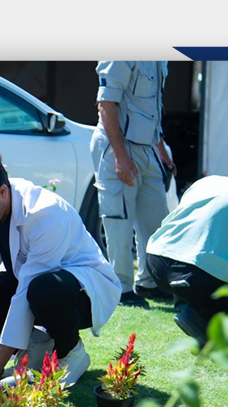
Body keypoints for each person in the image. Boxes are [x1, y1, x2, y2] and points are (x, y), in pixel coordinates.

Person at [0, 145, 121, 388]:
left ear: (2, 191)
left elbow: (26, 291)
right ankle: (36, 345)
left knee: (44, 288)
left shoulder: (45, 212)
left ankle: (70, 353)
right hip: (30, 286)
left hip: (81, 292)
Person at [147, 150, 228, 345]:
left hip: (156, 262)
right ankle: (204, 316)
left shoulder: (206, 182)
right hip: (198, 275)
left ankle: (189, 305)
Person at [91, 60, 176, 308]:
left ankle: (149, 282)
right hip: (117, 146)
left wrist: (161, 149)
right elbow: (106, 104)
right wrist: (120, 156)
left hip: (148, 148)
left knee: (156, 219)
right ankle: (121, 288)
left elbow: (151, 107)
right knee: (119, 221)